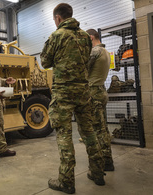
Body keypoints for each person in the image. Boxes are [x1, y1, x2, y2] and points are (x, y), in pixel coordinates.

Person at [40, 3, 105, 194]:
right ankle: (98, 172)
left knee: (64, 135)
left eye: (54, 20)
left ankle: (67, 181)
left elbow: (44, 62)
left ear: (58, 18)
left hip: (63, 93)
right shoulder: (86, 37)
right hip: (83, 92)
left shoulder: (57, 36)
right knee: (89, 131)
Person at [85, 29, 114, 171]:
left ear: (91, 37)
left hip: (94, 93)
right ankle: (108, 160)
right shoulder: (106, 52)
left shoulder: (94, 52)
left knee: (96, 130)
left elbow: (83, 70)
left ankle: (99, 165)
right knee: (103, 129)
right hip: (102, 91)